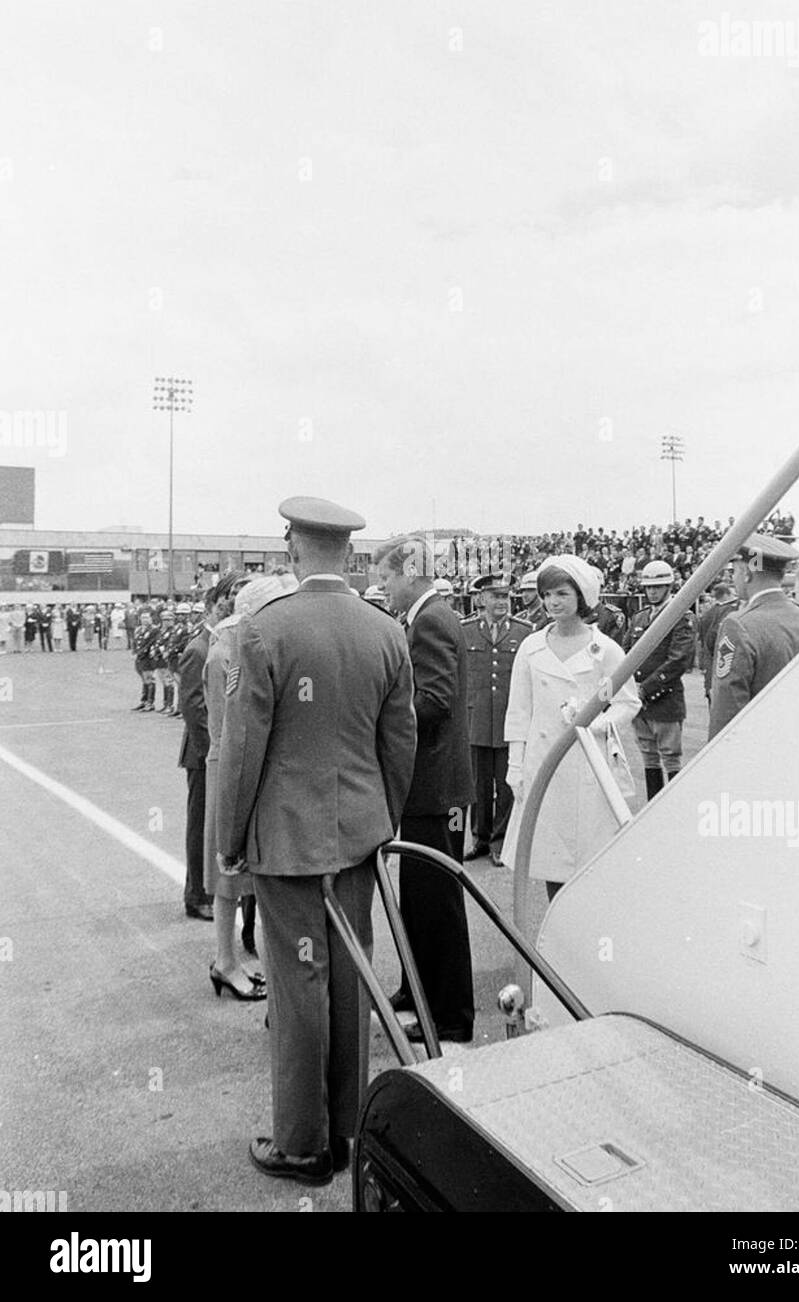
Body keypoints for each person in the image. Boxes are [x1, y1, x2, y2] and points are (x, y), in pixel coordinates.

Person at [218, 497, 416, 1186]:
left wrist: (230, 840)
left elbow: (241, 751)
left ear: (293, 550)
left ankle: (303, 1146)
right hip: (357, 837)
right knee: (350, 978)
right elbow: (401, 741)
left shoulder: (266, 630)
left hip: (288, 839)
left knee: (300, 986)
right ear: (351, 555)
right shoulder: (385, 630)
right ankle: (346, 1132)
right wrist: (379, 820)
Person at [373, 533, 475, 1046]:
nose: (382, 587)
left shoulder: (432, 620)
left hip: (435, 787)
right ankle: (416, 991)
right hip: (425, 785)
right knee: (417, 899)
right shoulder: (421, 618)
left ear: (410, 573)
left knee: (438, 902)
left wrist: (381, 719)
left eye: (387, 578)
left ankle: (452, 1014)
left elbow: (434, 702)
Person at [501, 555, 641, 900]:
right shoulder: (531, 647)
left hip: (588, 765)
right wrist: (515, 766)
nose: (553, 602)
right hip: (543, 763)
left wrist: (595, 723)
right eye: (547, 595)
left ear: (582, 596)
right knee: (552, 859)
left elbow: (627, 702)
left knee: (587, 859)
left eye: (562, 594)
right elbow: (519, 711)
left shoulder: (604, 650)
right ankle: (557, 935)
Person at [202, 571, 268, 1001]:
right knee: (228, 874)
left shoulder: (234, 646)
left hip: (238, 767)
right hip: (228, 770)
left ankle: (231, 959)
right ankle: (225, 962)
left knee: (240, 875)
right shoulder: (225, 653)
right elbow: (228, 733)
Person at [709, 533, 799, 739]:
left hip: (758, 748)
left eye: (734, 571)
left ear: (746, 573)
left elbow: (727, 708)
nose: (733, 579)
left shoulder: (739, 624)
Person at [461, 574, 530, 865]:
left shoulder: (525, 631)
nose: (501, 601)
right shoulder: (465, 630)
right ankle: (480, 838)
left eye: (505, 596)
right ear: (481, 599)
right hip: (476, 719)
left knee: (505, 785)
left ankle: (500, 842)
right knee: (477, 785)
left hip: (508, 718)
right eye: (494, 596)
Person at [622, 560, 696, 798]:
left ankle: (672, 807)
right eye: (649, 587)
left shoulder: (680, 616)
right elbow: (626, 653)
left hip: (664, 698)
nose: (652, 591)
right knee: (648, 755)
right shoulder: (640, 617)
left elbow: (679, 660)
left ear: (669, 586)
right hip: (640, 699)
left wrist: (645, 689)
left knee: (670, 756)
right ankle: (653, 806)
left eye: (658, 586)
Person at [177, 592, 217, 921]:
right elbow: (192, 708)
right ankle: (197, 896)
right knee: (201, 826)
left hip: (214, 752)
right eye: (222, 605)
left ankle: (208, 891)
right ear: (210, 608)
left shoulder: (217, 644)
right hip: (203, 753)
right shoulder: (198, 649)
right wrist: (213, 752)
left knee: (213, 826)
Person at [698, 580, 740, 705]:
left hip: (711, 669)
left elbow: (702, 642)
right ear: (728, 594)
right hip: (730, 669)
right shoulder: (736, 610)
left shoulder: (707, 615)